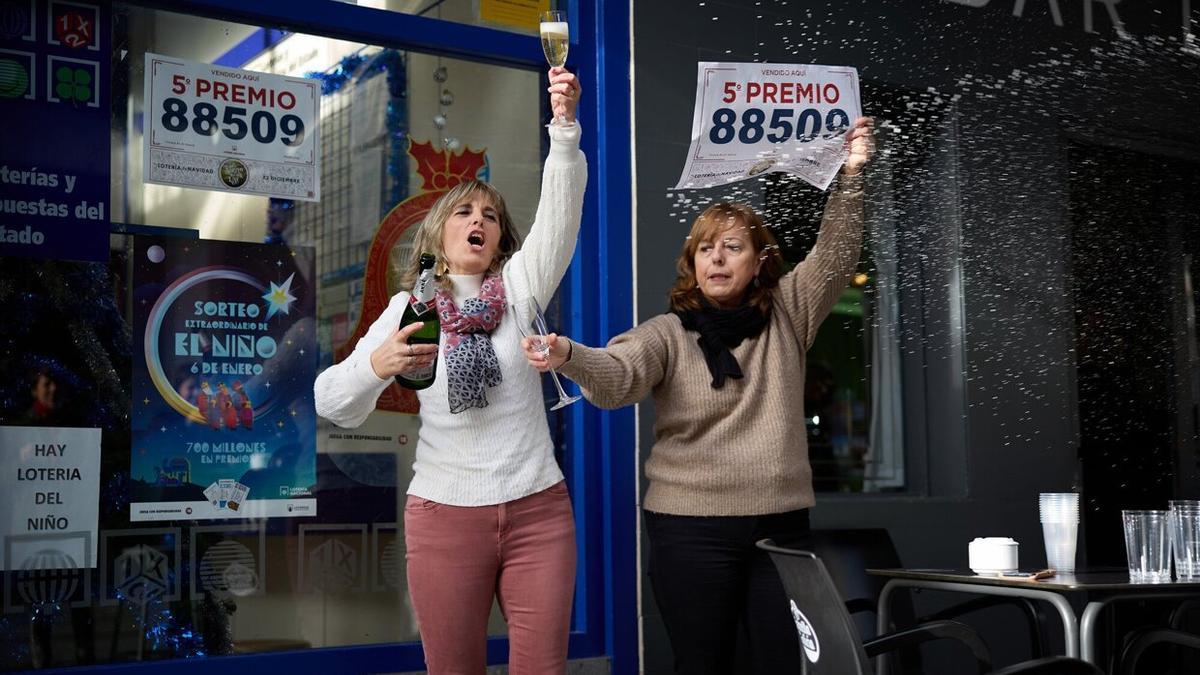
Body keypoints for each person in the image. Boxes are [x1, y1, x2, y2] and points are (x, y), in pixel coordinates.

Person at [523, 117, 874, 674]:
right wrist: (570, 354)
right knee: (704, 665)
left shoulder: (790, 311)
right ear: (692, 263)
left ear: (759, 262)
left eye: (731, 247)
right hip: (690, 529)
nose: (715, 258)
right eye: (705, 248)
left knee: (784, 664)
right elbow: (616, 378)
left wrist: (851, 174)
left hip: (780, 525)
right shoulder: (667, 333)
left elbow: (836, 254)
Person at [314, 67, 585, 674]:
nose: (479, 221)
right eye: (465, 211)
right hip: (444, 518)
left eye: (490, 215)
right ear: (439, 233)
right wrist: (377, 366)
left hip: (538, 512)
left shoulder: (519, 289)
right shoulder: (407, 310)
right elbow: (331, 401)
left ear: (499, 238)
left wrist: (563, 128)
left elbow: (561, 219)